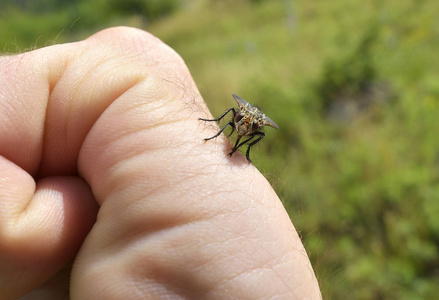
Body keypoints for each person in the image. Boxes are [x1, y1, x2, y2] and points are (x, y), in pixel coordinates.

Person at [0, 27, 322, 299]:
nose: (242, 123)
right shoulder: (238, 113)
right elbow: (233, 111)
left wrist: (242, 148)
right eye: (243, 122)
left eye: (247, 124)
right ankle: (220, 134)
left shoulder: (255, 127)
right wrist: (215, 131)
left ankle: (237, 146)